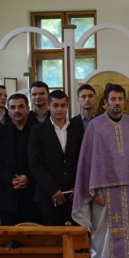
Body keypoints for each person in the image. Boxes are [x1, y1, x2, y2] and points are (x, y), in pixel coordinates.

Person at [73, 84, 129, 258]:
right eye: (113, 99)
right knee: (104, 234)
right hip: (103, 190)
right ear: (105, 101)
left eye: (120, 99)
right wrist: (94, 189)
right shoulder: (95, 126)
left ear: (125, 101)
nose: (117, 103)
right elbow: (89, 160)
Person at [28, 90, 84, 226]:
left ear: (68, 106)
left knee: (74, 238)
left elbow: (82, 161)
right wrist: (52, 188)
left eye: (63, 105)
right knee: (51, 239)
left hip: (73, 195)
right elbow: (35, 163)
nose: (59, 109)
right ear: (48, 106)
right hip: (48, 196)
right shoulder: (38, 130)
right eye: (55, 105)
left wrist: (77, 186)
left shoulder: (77, 128)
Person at [0, 93, 41, 225]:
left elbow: (42, 159)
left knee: (33, 238)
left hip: (33, 194)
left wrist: (28, 177)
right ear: (8, 110)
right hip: (8, 195)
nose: (16, 111)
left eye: (21, 107)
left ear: (28, 109)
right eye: (12, 107)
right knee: (10, 238)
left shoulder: (38, 131)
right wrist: (10, 179)